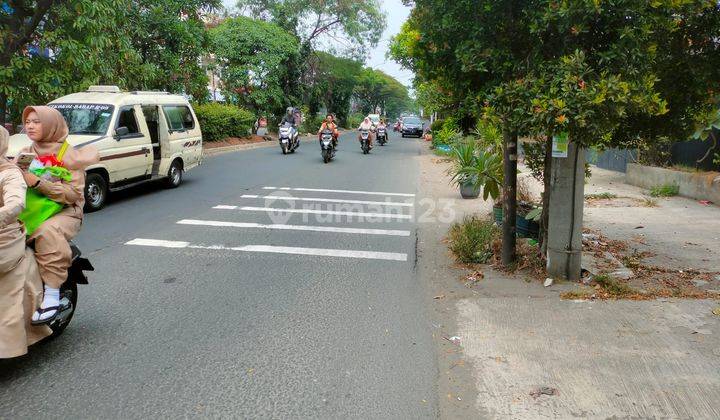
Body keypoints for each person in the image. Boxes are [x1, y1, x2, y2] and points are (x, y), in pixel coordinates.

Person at [15, 106, 98, 325]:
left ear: (51, 125)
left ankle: (51, 296)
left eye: (37, 121)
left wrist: (38, 183)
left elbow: (73, 194)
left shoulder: (67, 154)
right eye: (28, 121)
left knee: (46, 232)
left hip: (65, 212)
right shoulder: (26, 151)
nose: (30, 126)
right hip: (33, 209)